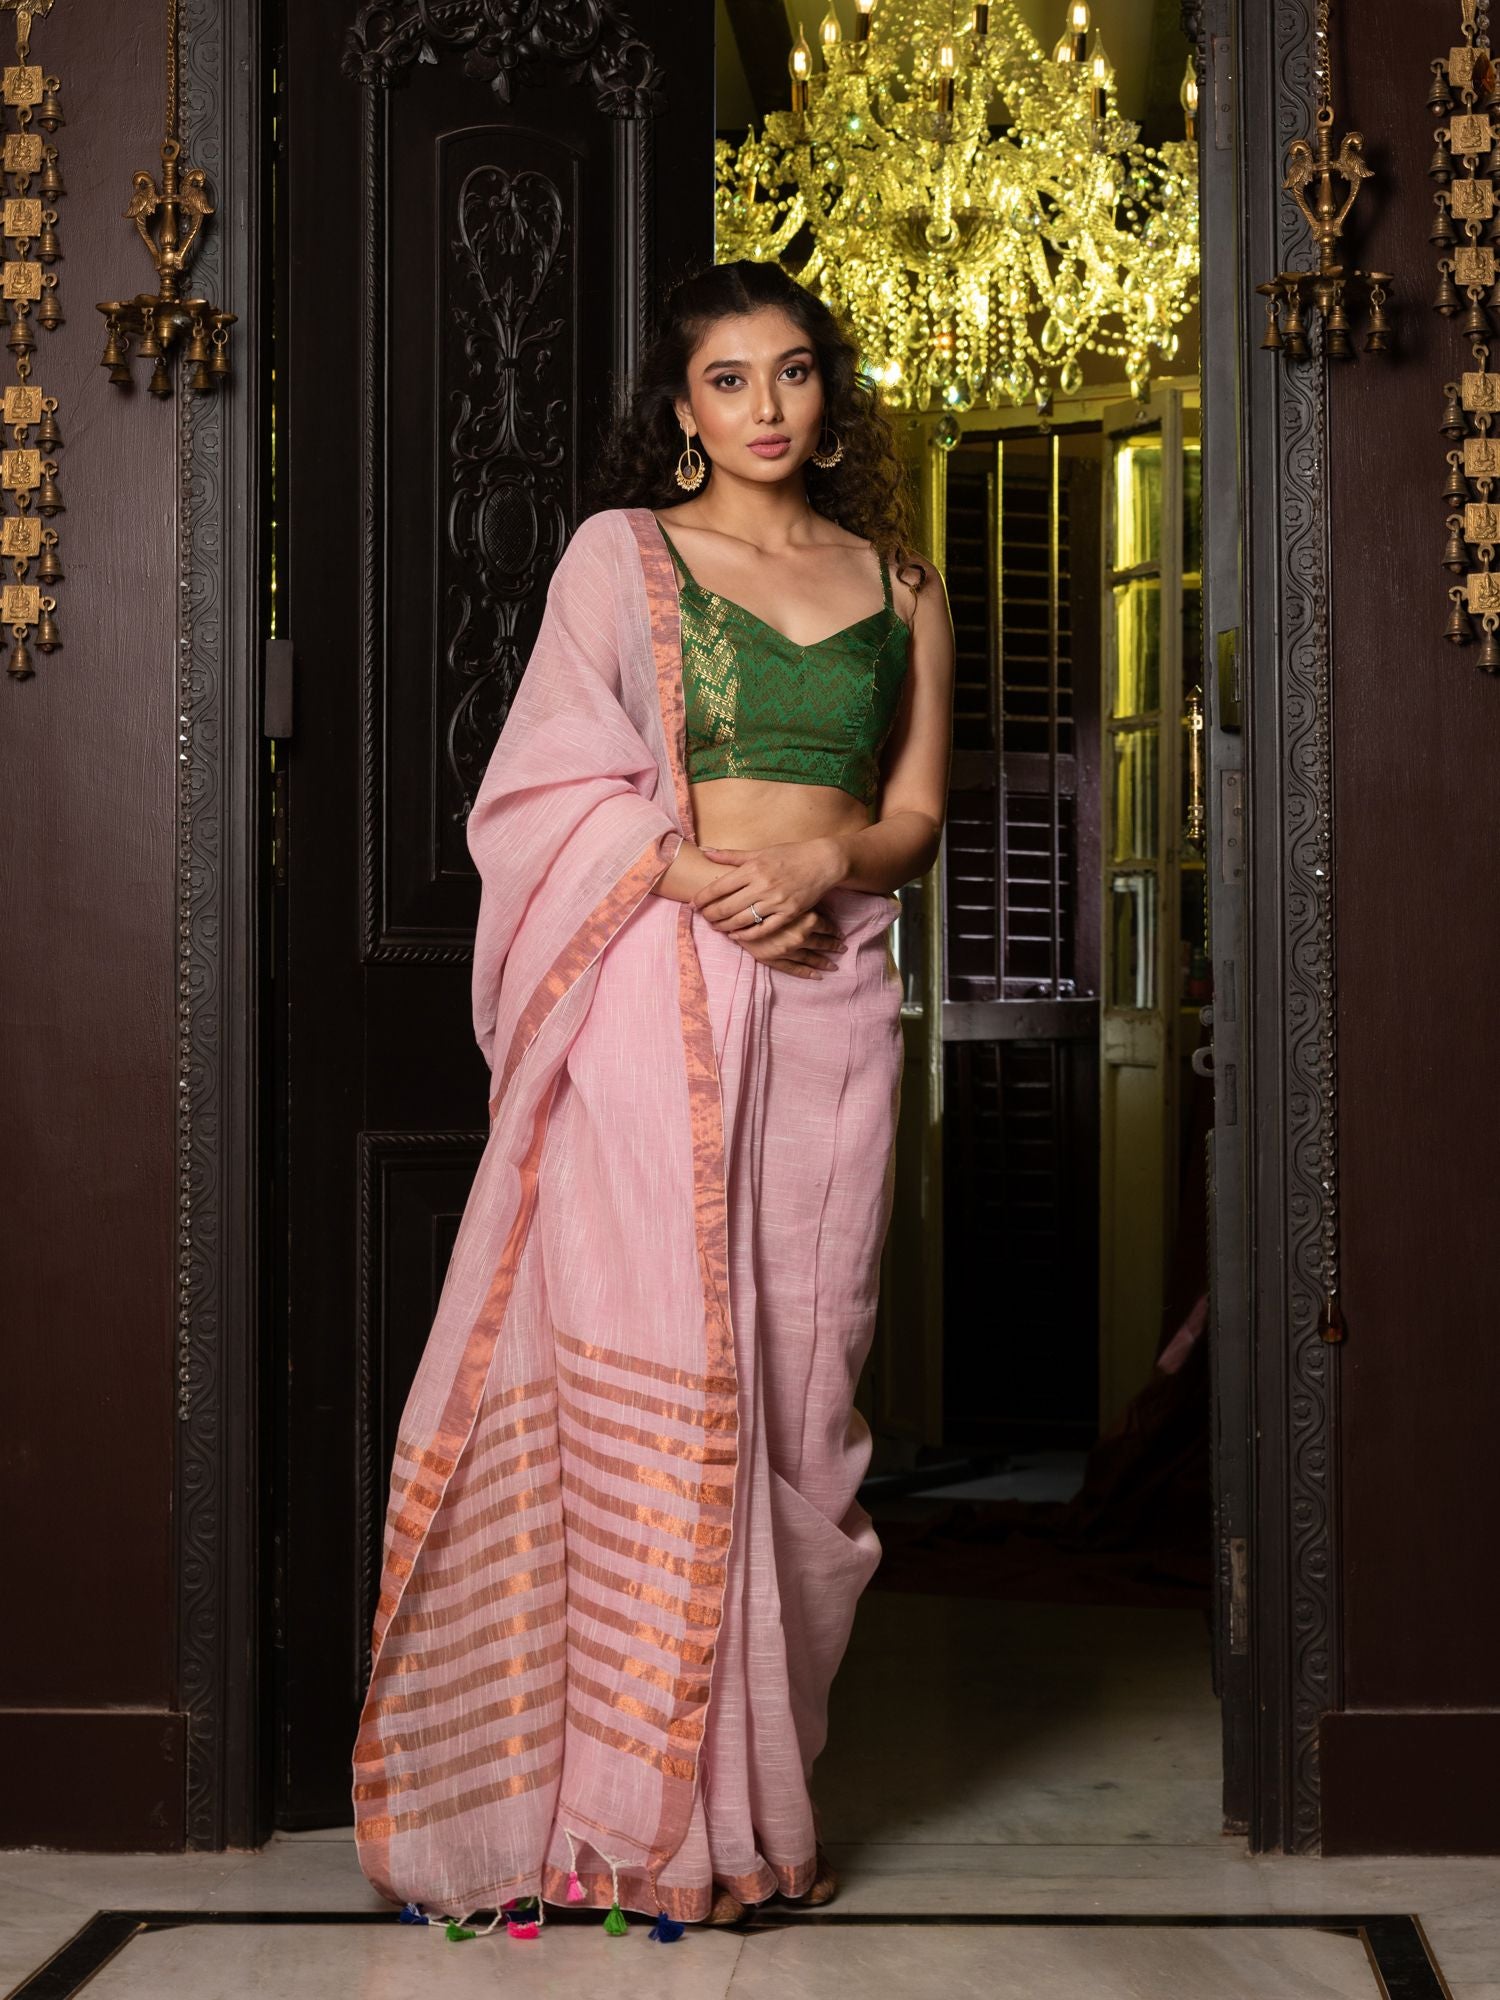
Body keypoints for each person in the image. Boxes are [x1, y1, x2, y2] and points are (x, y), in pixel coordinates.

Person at [350, 259, 954, 1936]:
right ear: (681, 409)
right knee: (665, 1369)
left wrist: (824, 863)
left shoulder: (900, 584)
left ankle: (747, 1810)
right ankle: (628, 1830)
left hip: (833, 997)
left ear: (830, 393)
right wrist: (700, 878)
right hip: (652, 993)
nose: (768, 407)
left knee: (802, 1394)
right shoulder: (620, 559)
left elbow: (915, 815)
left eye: (795, 372)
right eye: (730, 380)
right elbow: (541, 785)